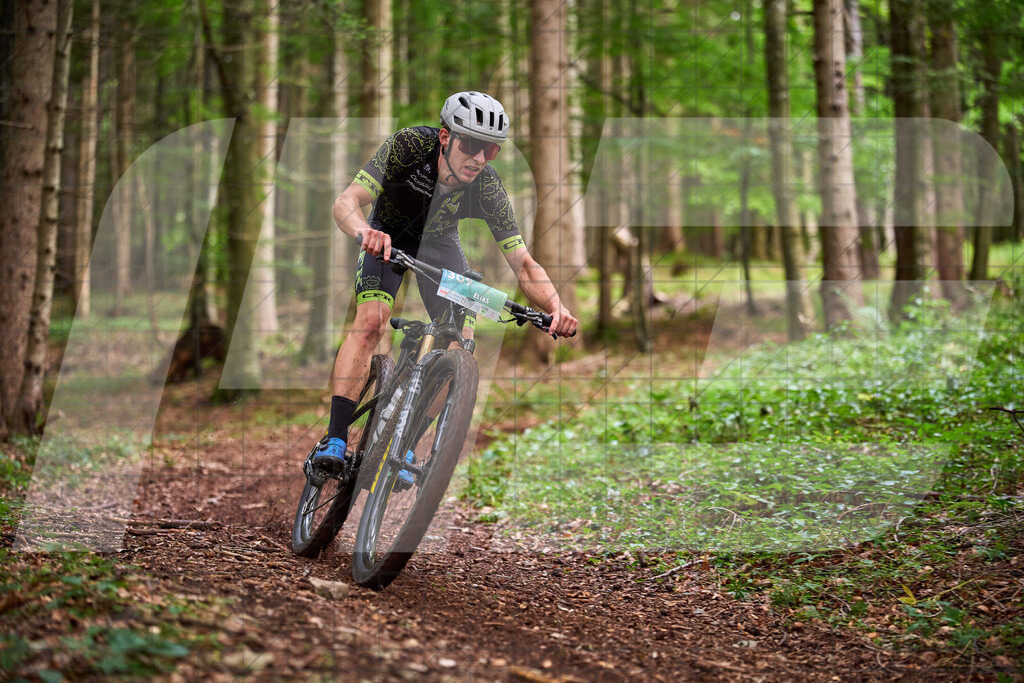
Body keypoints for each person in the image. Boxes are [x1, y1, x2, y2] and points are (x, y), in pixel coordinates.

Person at [313, 91, 578, 470]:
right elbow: (347, 202)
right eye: (471, 144)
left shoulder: (487, 187)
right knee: (371, 321)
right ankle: (335, 439)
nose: (479, 158)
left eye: (491, 150)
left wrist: (556, 307)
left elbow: (524, 264)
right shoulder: (408, 146)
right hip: (387, 235)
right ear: (445, 136)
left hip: (439, 246)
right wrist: (363, 232)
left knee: (460, 343)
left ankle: (408, 440)